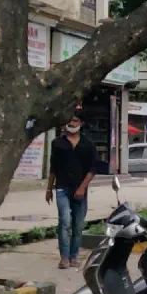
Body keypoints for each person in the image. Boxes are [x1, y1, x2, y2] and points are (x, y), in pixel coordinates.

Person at [46, 109, 97, 269]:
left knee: (78, 225)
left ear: (81, 123)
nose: (72, 123)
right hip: (62, 188)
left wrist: (82, 188)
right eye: (70, 120)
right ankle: (64, 258)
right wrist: (49, 189)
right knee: (65, 221)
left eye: (75, 121)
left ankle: (74, 257)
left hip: (80, 190)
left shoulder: (88, 144)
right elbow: (53, 168)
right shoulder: (57, 143)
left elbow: (93, 169)